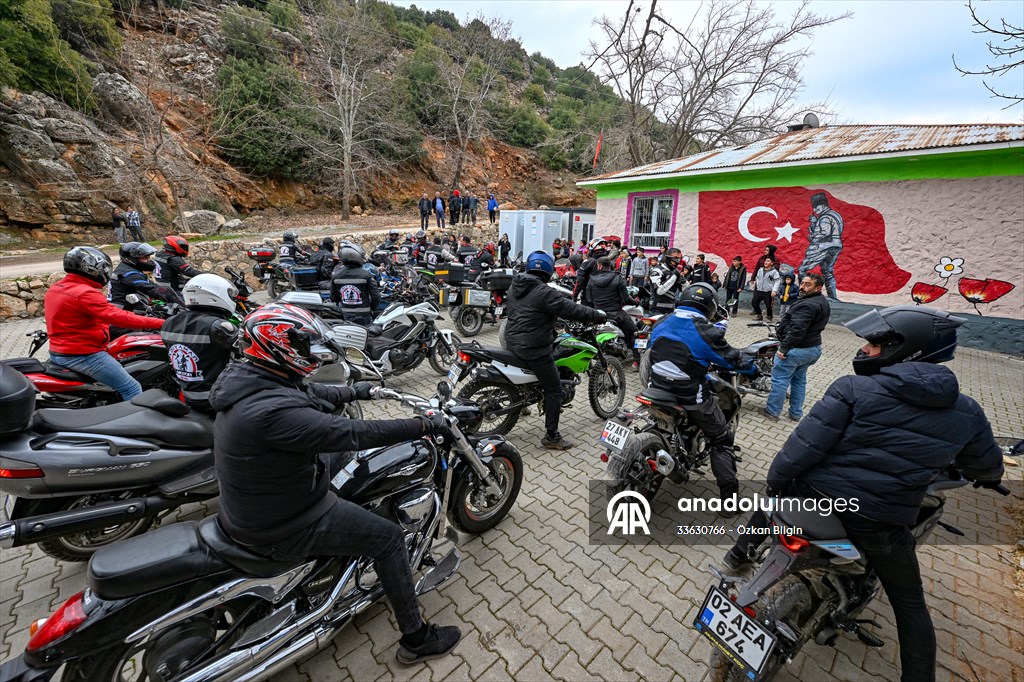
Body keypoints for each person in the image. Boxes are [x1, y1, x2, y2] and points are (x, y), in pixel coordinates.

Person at [722, 305, 1004, 682]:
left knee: (779, 491)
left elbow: (798, 452)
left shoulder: (853, 388)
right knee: (909, 604)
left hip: (813, 498)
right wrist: (988, 476)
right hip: (880, 522)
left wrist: (776, 483)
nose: (867, 349)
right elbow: (987, 467)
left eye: (875, 343)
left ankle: (738, 554)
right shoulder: (967, 412)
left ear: (908, 349)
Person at [210, 303, 461, 666]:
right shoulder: (272, 412)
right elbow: (353, 433)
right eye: (303, 346)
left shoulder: (253, 379)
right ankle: (417, 639)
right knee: (389, 539)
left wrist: (360, 392)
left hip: (259, 501)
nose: (310, 353)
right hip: (285, 521)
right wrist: (423, 425)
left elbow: (309, 394)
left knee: (355, 476)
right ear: (280, 346)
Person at [648, 284, 749, 511]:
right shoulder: (706, 331)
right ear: (711, 305)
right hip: (690, 398)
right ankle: (729, 504)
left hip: (655, 389)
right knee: (721, 439)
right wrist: (751, 367)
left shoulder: (662, 321)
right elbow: (732, 359)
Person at [505, 251, 606, 449]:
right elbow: (572, 309)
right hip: (533, 348)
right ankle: (552, 436)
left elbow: (530, 312)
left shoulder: (516, 286)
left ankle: (522, 399)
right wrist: (597, 315)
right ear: (548, 270)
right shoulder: (544, 292)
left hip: (513, 341)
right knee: (554, 388)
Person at [45, 246, 165, 400]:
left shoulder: (57, 288)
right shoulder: (84, 293)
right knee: (131, 387)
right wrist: (161, 323)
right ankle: (139, 421)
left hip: (59, 351)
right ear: (92, 269)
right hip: (83, 354)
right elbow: (117, 317)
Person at [161, 274, 238, 415]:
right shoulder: (218, 326)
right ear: (216, 295)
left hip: (188, 394)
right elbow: (247, 351)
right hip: (218, 397)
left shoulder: (169, 323)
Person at [762, 273, 830, 422]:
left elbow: (798, 330)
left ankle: (772, 412)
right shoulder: (821, 301)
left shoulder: (808, 305)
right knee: (799, 381)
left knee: (780, 380)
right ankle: (796, 413)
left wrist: (783, 349)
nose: (802, 287)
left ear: (818, 288)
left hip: (797, 350)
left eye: (807, 285)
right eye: (802, 283)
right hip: (812, 349)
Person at [588, 257, 641, 367]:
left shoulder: (591, 280)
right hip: (616, 314)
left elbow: (589, 299)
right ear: (609, 266)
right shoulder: (617, 278)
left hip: (599, 315)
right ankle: (637, 360)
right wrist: (636, 302)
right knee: (634, 333)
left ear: (600, 266)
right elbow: (626, 299)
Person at [109, 241, 183, 314]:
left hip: (131, 307)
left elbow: (154, 286)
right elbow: (152, 289)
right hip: (123, 313)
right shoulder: (129, 274)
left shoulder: (129, 269)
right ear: (131, 259)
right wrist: (178, 302)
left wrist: (178, 298)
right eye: (144, 258)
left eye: (148, 257)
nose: (149, 261)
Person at [798, 192, 844, 301]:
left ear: (823, 205)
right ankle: (833, 297)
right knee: (827, 271)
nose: (814, 210)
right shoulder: (835, 214)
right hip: (836, 245)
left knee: (802, 269)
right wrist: (815, 223)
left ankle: (802, 293)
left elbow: (824, 233)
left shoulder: (824, 218)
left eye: (816, 207)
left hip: (823, 246)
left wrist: (813, 236)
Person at [330, 243, 380, 326]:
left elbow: (333, 297)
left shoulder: (336, 276)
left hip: (346, 315)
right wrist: (371, 308)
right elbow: (376, 296)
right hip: (364, 315)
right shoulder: (366, 275)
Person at [648, 247, 683, 315]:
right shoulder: (657, 271)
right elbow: (659, 291)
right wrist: (674, 277)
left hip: (671, 310)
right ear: (668, 257)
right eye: (675, 257)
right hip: (657, 310)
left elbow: (684, 290)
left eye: (679, 258)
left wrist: (684, 283)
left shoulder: (674, 272)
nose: (677, 260)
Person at [573, 238, 608, 306]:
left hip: (589, 297)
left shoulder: (588, 262)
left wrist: (574, 295)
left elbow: (579, 281)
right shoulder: (610, 263)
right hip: (604, 299)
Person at [750, 256, 781, 322]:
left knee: (768, 305)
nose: (765, 262)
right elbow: (758, 278)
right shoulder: (760, 270)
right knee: (754, 303)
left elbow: (777, 281)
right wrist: (756, 285)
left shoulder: (774, 272)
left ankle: (769, 317)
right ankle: (759, 315)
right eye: (765, 261)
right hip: (759, 290)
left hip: (768, 291)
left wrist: (774, 290)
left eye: (768, 261)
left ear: (772, 263)